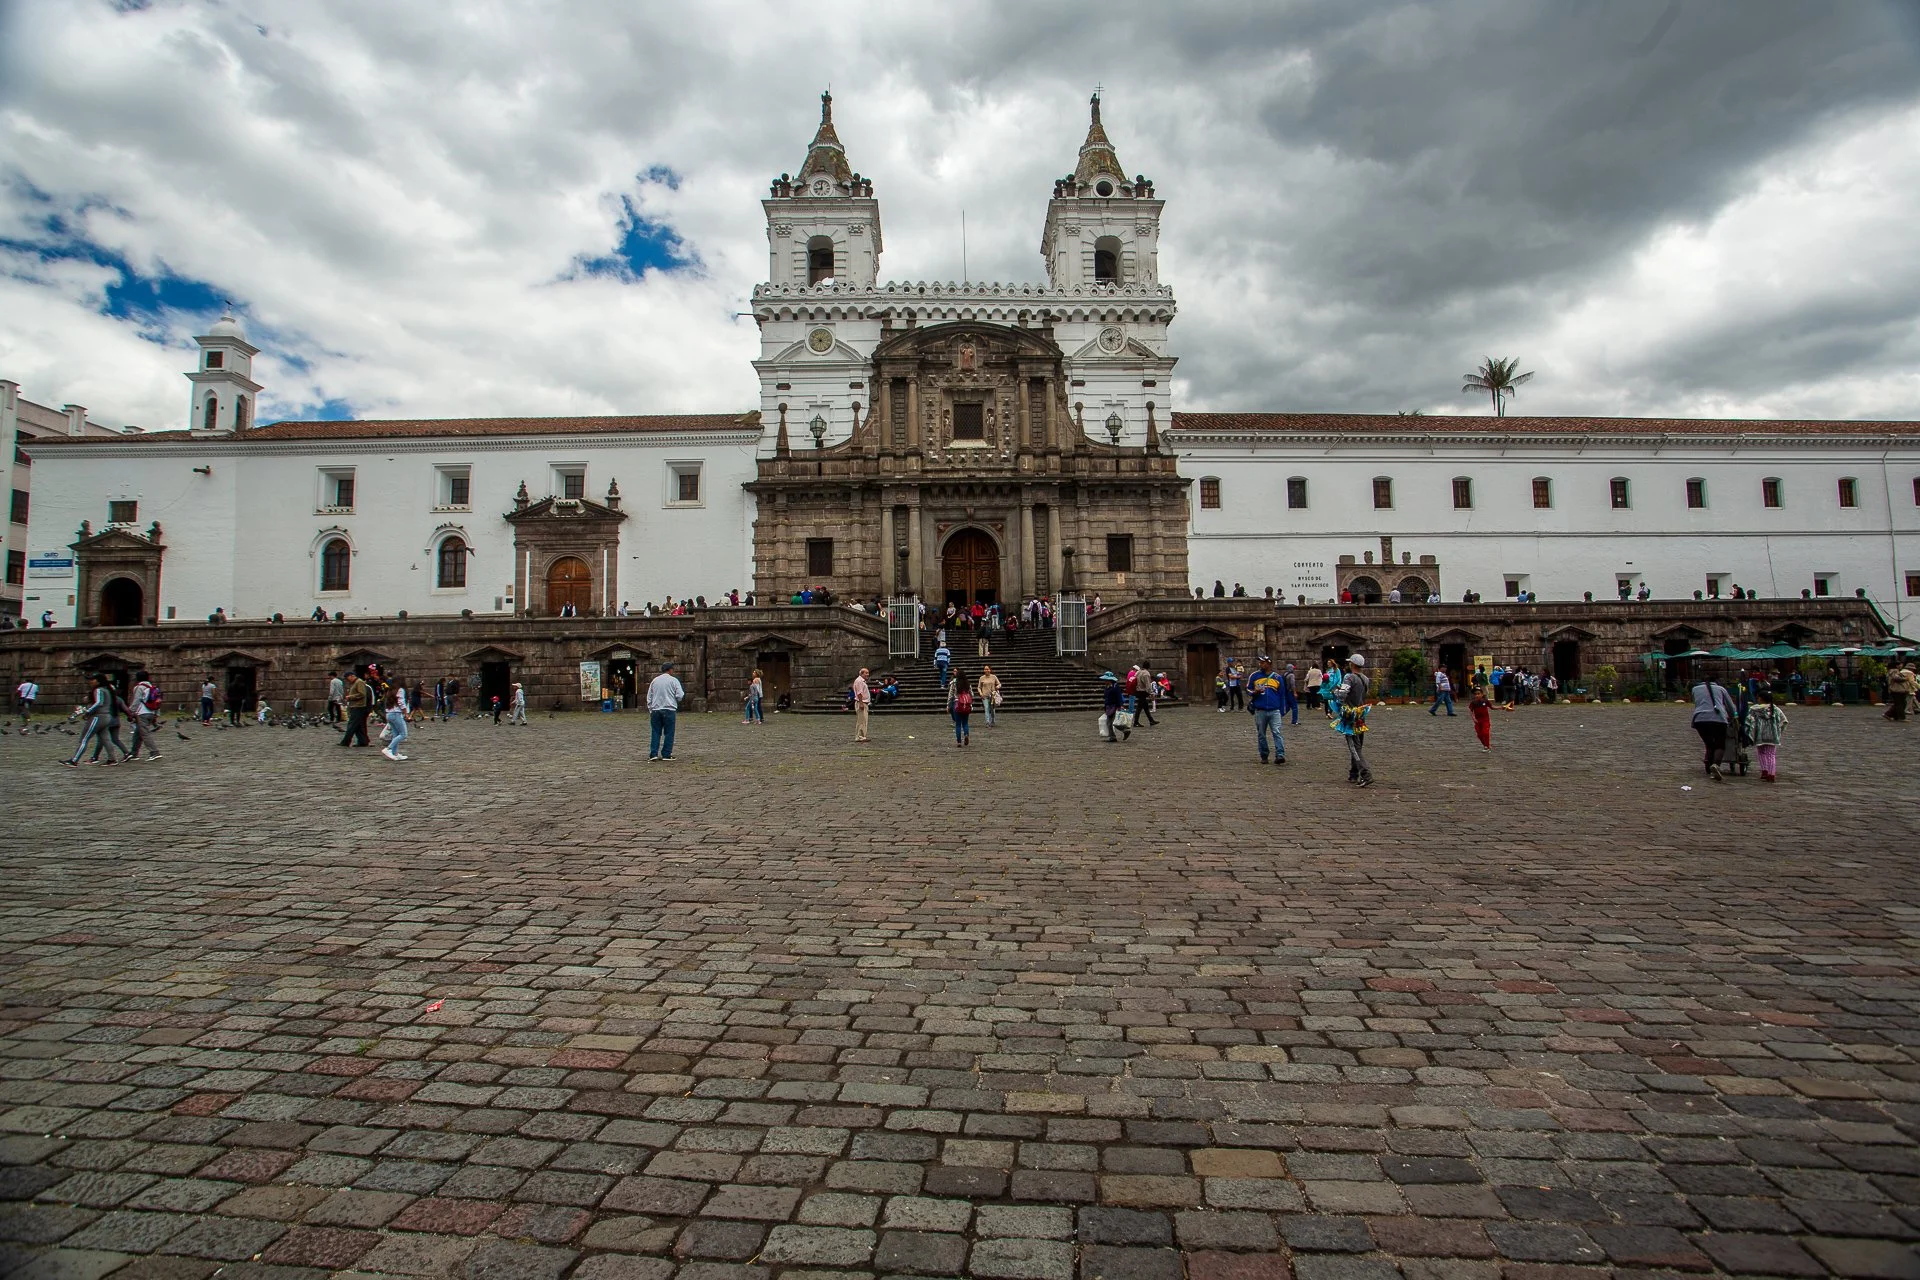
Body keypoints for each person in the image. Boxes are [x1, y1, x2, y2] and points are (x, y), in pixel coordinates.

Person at [67, 673, 127, 766]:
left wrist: (88, 711)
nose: (90, 681)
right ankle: (112, 759)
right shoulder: (107, 690)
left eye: (92, 679)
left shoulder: (98, 690)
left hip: (97, 717)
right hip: (107, 717)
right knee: (106, 739)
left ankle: (74, 760)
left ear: (98, 681)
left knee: (84, 739)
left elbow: (99, 702)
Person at [1689, 674, 1739, 781]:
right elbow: (1730, 706)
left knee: (1709, 743)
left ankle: (1708, 763)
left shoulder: (1695, 689)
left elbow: (1697, 702)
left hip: (1700, 719)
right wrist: (1733, 716)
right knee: (1720, 744)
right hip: (1718, 719)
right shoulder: (1721, 689)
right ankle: (1716, 765)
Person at [1335, 655, 1374, 786]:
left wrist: (1336, 695)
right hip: (1361, 715)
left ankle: (1366, 774)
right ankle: (1353, 773)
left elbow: (1342, 695)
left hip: (1350, 715)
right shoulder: (1365, 679)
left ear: (1352, 664)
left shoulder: (1349, 677)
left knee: (1354, 747)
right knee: (1358, 745)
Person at [1246, 655, 1287, 765]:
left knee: (1277, 732)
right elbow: (1247, 689)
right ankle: (1264, 755)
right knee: (1261, 734)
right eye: (1260, 662)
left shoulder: (1278, 678)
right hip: (1260, 710)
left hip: (1274, 710)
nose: (1261, 664)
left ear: (1269, 663)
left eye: (1263, 662)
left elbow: (1282, 695)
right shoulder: (1254, 676)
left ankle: (1280, 754)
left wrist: (1282, 710)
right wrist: (1254, 692)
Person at [1746, 692, 1788, 783]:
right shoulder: (1776, 709)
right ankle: (1771, 774)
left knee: (1761, 753)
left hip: (1759, 734)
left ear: (1761, 699)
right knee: (1771, 755)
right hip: (1772, 735)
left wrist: (1749, 733)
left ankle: (1764, 771)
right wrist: (1779, 732)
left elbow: (1748, 722)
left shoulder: (1754, 709)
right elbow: (1784, 721)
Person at [647, 661, 685, 761]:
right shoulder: (674, 680)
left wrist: (651, 709)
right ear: (670, 670)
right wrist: (676, 699)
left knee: (655, 732)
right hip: (669, 709)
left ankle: (653, 753)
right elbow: (680, 695)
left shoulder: (655, 681)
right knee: (669, 732)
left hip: (656, 710)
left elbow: (649, 696)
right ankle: (666, 754)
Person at [338, 670, 374, 747]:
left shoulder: (359, 682)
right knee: (359, 725)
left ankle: (346, 741)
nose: (347, 680)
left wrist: (350, 697)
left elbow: (362, 694)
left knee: (352, 725)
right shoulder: (354, 683)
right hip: (355, 706)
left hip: (359, 706)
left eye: (347, 678)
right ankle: (363, 741)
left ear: (352, 676)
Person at [380, 688, 410, 761]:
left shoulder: (391, 690)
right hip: (396, 713)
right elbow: (401, 702)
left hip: (389, 713)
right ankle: (388, 749)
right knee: (403, 734)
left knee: (395, 734)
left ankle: (394, 753)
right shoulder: (400, 690)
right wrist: (406, 713)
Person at [1100, 671, 1130, 743]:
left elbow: (1118, 697)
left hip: (1114, 706)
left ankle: (1123, 731)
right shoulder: (1107, 687)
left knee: (1113, 722)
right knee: (1110, 722)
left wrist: (1119, 706)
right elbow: (1106, 697)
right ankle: (1113, 736)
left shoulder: (1115, 688)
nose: (1104, 681)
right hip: (1109, 706)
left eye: (1106, 680)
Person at [947, 668, 974, 747]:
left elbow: (950, 695)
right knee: (965, 723)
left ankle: (959, 741)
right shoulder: (967, 684)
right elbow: (972, 694)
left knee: (958, 724)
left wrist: (948, 705)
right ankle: (966, 734)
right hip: (966, 704)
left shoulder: (953, 683)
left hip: (957, 704)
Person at [1469, 686, 1493, 751]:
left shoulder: (1485, 701)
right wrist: (1473, 718)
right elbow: (1471, 711)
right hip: (1478, 721)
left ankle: (1487, 746)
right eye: (1475, 694)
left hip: (1485, 720)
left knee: (1485, 732)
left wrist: (1502, 707)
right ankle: (1485, 745)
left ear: (1482, 694)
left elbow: (1492, 707)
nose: (1477, 695)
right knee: (1479, 734)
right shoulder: (1473, 703)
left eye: (1478, 694)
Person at [852, 667, 872, 743]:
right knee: (861, 720)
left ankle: (862, 736)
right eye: (866, 673)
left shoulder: (861, 681)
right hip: (861, 702)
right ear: (861, 673)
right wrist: (861, 703)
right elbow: (859, 693)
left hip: (864, 702)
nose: (868, 674)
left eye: (868, 673)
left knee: (863, 720)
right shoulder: (859, 681)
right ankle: (860, 736)